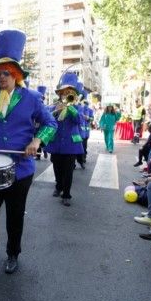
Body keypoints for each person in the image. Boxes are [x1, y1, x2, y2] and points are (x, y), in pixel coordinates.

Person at [0, 30, 57, 274]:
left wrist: (37, 140)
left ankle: (12, 254)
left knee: (14, 215)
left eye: (5, 73)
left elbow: (51, 124)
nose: (1, 78)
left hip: (20, 168)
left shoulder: (32, 98)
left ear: (15, 74)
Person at [45, 72, 84, 206]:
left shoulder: (77, 107)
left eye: (69, 92)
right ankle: (58, 186)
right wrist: (56, 110)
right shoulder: (53, 106)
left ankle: (66, 194)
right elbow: (46, 119)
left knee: (68, 171)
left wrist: (70, 108)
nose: (66, 94)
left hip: (70, 144)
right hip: (56, 143)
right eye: (64, 92)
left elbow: (79, 120)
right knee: (57, 167)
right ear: (60, 94)